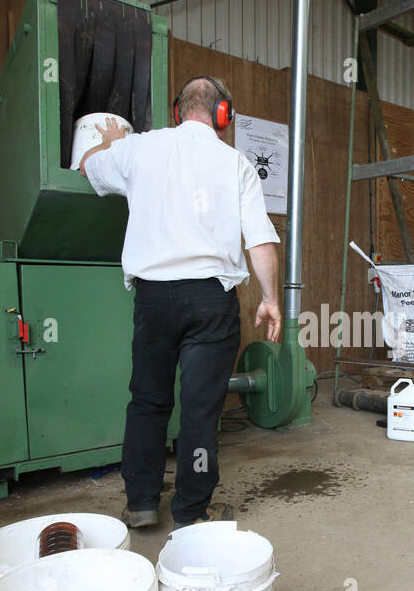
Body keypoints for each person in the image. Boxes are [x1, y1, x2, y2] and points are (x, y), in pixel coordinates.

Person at [80, 76, 281, 529]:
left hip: (154, 300)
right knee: (200, 410)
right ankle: (191, 512)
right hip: (211, 300)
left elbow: (87, 167)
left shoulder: (139, 148)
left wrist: (111, 141)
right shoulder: (235, 163)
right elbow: (261, 240)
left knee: (148, 402)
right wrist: (270, 300)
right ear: (223, 114)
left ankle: (141, 503)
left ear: (177, 112)